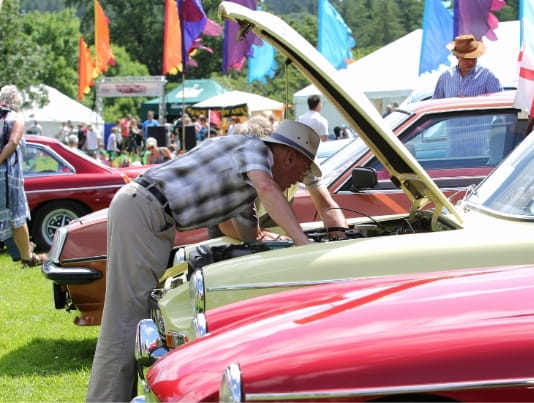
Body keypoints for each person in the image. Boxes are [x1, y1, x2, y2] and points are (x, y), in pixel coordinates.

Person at [86, 120, 325, 402]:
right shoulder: (255, 150)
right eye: (304, 168)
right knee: (126, 318)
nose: (301, 177)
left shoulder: (248, 174)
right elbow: (267, 187)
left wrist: (270, 241)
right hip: (145, 210)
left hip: (147, 211)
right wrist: (303, 246)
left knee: (130, 314)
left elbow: (247, 234)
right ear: (289, 156)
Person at [211, 116, 348, 241]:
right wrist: (296, 242)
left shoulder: (301, 160)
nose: (301, 179)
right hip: (231, 232)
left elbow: (326, 205)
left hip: (269, 223)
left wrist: (339, 234)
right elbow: (228, 225)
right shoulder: (238, 170)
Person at [0, 85, 46, 268]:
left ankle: (25, 254)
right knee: (16, 217)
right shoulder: (16, 117)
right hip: (8, 177)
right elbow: (13, 141)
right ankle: (27, 257)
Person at [432, 34, 502, 99]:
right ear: (457, 57)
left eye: (474, 58)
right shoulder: (445, 77)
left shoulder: (487, 76)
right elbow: (435, 105)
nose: (470, 62)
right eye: (466, 59)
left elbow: (499, 103)